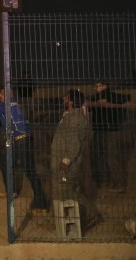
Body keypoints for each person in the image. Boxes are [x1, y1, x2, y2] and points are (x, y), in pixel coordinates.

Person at [0, 88, 47, 213]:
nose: (0, 95)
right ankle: (11, 191)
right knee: (4, 161)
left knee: (30, 172)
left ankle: (41, 204)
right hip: (19, 140)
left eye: (1, 94)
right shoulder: (14, 104)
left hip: (21, 141)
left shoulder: (4, 106)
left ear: (7, 95)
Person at [51, 89, 101, 231]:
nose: (63, 98)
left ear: (71, 101)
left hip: (67, 164)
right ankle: (75, 219)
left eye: (66, 97)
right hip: (63, 160)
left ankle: (89, 215)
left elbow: (74, 143)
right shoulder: (71, 116)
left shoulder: (75, 119)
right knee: (69, 189)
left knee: (66, 190)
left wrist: (66, 160)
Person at [89, 80, 129, 193]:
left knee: (111, 156)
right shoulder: (94, 98)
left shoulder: (112, 96)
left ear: (104, 86)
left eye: (97, 86)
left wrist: (108, 102)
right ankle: (105, 180)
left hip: (111, 129)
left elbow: (123, 99)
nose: (95, 88)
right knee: (99, 155)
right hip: (99, 130)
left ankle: (118, 183)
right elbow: (88, 106)